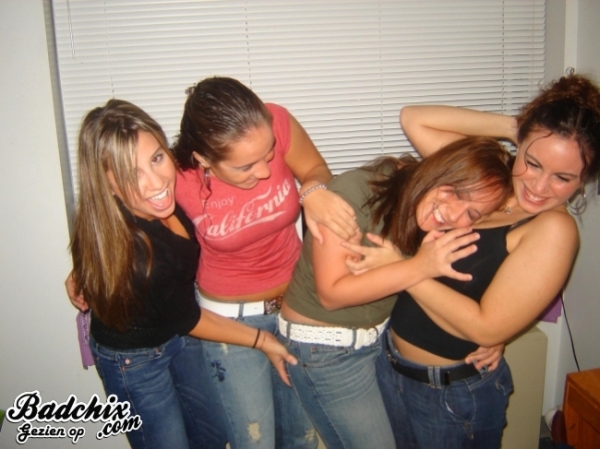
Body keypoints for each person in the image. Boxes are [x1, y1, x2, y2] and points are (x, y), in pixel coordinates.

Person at [368, 71, 600, 448]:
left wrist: (403, 270)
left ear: (583, 180)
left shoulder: (553, 229)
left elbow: (487, 328)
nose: (539, 187)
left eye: (563, 177)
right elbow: (414, 118)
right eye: (533, 162)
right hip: (389, 368)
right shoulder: (489, 182)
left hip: (450, 398)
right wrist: (517, 126)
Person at [68, 99, 299, 449]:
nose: (156, 182)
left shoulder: (171, 186)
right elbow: (188, 318)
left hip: (179, 335)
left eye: (156, 158)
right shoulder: (140, 259)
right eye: (132, 174)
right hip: (134, 359)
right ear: (108, 185)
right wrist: (263, 341)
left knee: (213, 435)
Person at [277, 137, 513, 449]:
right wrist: (419, 266)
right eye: (457, 192)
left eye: (471, 213)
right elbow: (332, 294)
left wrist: (494, 334)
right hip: (325, 350)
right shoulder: (356, 191)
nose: (454, 214)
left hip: (378, 344)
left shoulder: (432, 217)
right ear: (440, 169)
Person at [170, 76, 359, 449]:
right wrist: (86, 264)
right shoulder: (177, 177)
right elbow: (125, 217)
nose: (265, 172)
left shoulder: (276, 121)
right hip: (231, 322)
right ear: (204, 160)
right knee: (254, 441)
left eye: (269, 153)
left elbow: (315, 169)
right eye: (245, 167)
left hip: (298, 308)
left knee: (302, 437)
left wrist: (313, 190)